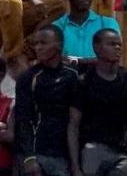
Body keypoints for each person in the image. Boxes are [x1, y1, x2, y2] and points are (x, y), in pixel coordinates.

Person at [68, 28, 127, 176]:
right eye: (112, 44)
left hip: (121, 151)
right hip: (92, 151)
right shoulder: (84, 81)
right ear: (97, 48)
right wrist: (75, 166)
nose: (118, 48)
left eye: (119, 44)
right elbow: (73, 124)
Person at [15, 25, 81, 176]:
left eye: (43, 43)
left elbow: (74, 122)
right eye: (36, 43)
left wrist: (75, 165)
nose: (38, 47)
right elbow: (23, 119)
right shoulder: (28, 77)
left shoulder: (71, 77)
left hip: (62, 157)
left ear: (59, 45)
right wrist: (29, 158)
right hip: (36, 155)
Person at [53, 0, 121, 63]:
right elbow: (55, 60)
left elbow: (112, 57)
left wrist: (73, 61)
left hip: (99, 76)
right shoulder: (57, 27)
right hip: (67, 76)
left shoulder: (107, 24)